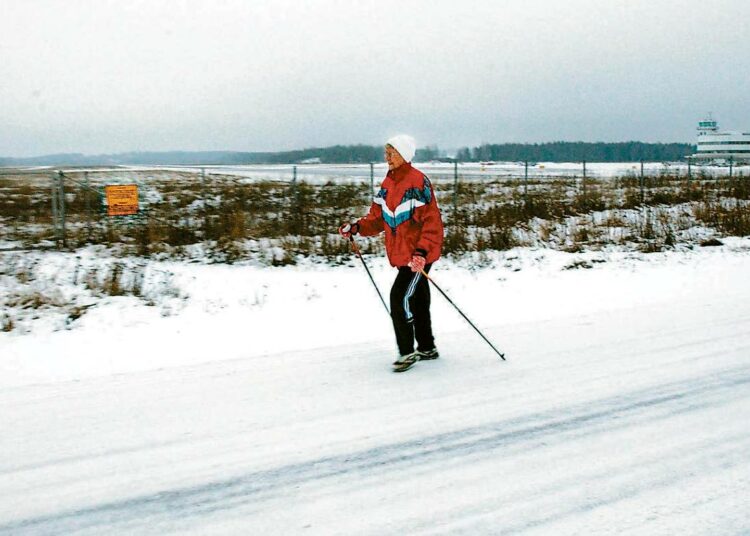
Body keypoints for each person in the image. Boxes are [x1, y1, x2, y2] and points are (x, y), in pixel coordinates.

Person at [339, 134, 444, 372]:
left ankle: (407, 352)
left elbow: (432, 223)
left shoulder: (418, 182)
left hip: (417, 256)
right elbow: (377, 218)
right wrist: (357, 227)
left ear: (404, 155)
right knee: (417, 298)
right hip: (402, 255)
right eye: (386, 152)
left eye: (391, 152)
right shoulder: (388, 183)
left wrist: (421, 253)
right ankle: (427, 347)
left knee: (399, 298)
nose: (387, 157)